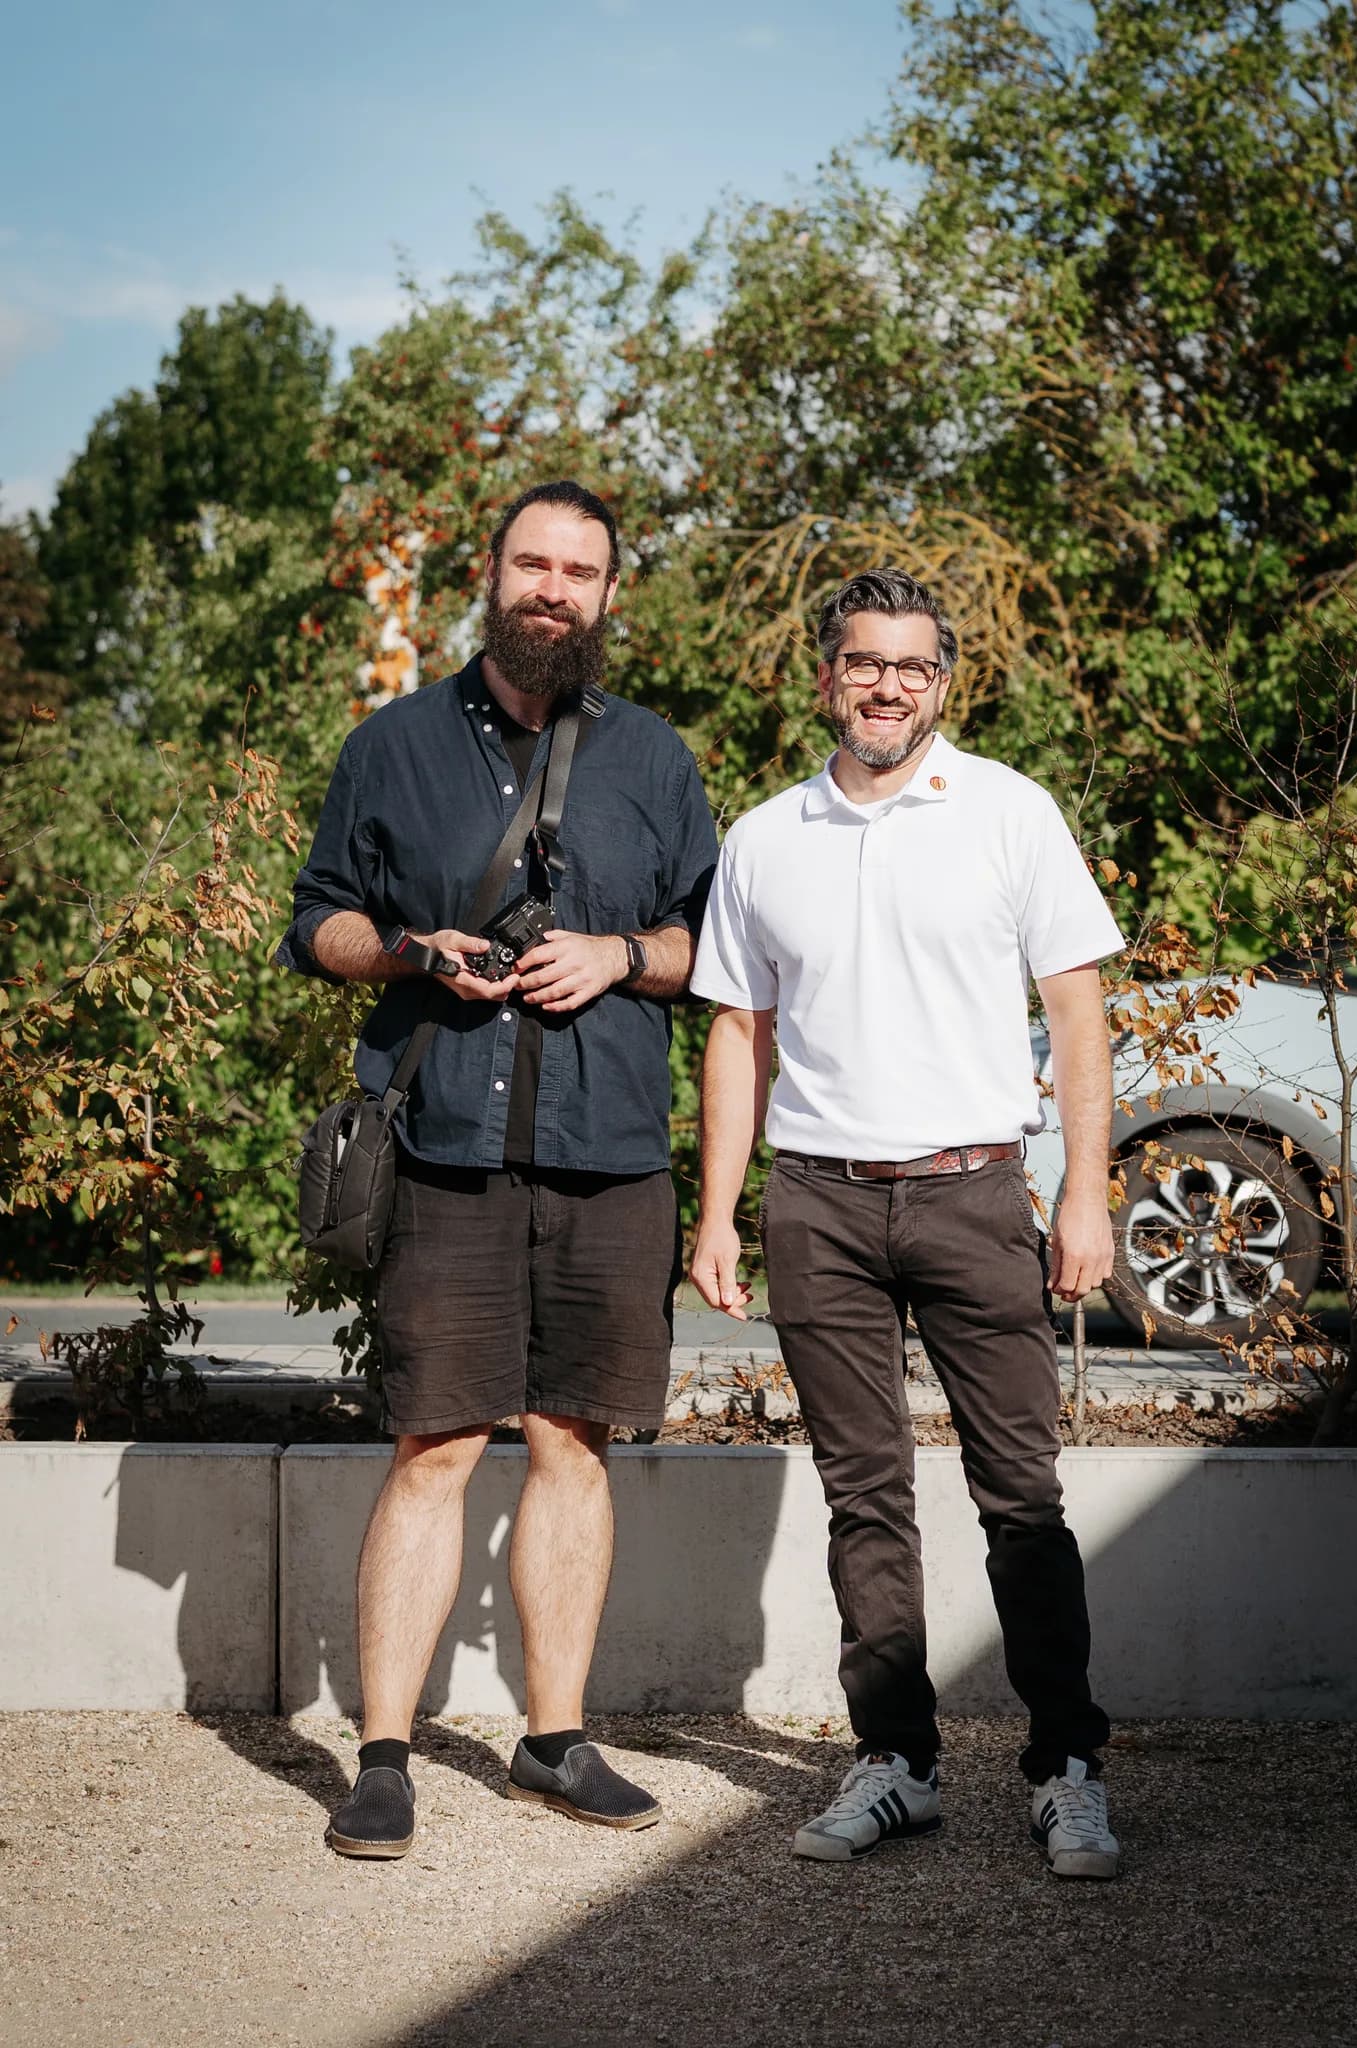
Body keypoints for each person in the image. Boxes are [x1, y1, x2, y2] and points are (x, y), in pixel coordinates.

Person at [278, 480, 717, 1858]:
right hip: (445, 1146)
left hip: (609, 1153)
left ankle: (553, 1740)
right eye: (533, 563)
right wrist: (412, 951)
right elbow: (318, 924)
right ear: (493, 573)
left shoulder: (655, 757)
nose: (553, 590)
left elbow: (708, 944)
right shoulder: (392, 744)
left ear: (606, 593)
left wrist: (619, 956)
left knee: (575, 1443)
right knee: (437, 1446)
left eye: (579, 572)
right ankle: (383, 1756)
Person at [688, 568, 1124, 1878]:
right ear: (828, 676)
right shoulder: (766, 835)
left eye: (913, 666)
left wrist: (1084, 1188)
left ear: (943, 682)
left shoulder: (1008, 810)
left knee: (1022, 1497)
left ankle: (1066, 1770)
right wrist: (717, 1213)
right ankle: (897, 1762)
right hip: (816, 1202)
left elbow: (1079, 1011)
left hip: (972, 1191)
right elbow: (737, 1032)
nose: (888, 686)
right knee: (862, 1497)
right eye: (865, 662)